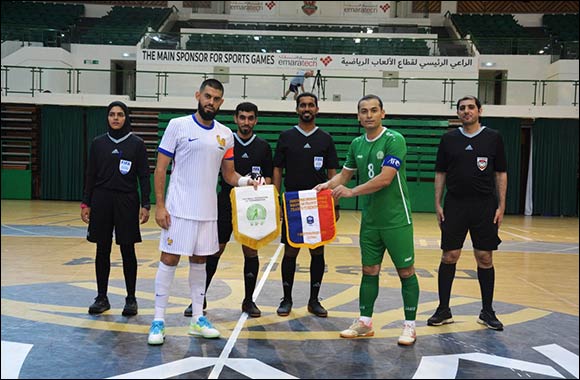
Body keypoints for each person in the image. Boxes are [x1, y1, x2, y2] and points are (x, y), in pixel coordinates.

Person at [147, 79, 259, 345]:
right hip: (179, 210)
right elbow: (160, 168)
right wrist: (160, 205)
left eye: (217, 98)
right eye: (207, 96)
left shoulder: (225, 134)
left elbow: (229, 175)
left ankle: (198, 318)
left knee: (200, 263)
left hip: (208, 212)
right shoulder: (177, 125)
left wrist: (249, 182)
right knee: (169, 260)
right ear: (198, 95)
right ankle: (158, 320)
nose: (211, 101)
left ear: (221, 102)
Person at [315, 94, 419, 346]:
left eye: (374, 110)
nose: (369, 115)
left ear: (383, 113)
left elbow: (385, 179)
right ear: (358, 116)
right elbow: (345, 175)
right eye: (364, 111)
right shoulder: (356, 144)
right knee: (369, 270)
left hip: (396, 219)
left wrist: (352, 192)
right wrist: (326, 186)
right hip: (370, 221)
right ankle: (365, 322)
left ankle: (410, 326)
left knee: (405, 271)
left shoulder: (395, 140)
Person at [183, 101, 273, 318]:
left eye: (250, 118)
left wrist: (264, 193)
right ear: (235, 119)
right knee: (215, 249)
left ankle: (248, 300)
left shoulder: (263, 147)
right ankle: (199, 298)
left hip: (252, 205)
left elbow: (269, 178)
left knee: (251, 250)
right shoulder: (224, 141)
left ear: (256, 120)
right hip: (224, 201)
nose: (246, 122)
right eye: (242, 117)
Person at [427, 95, 507, 331]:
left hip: (484, 205)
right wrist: (437, 204)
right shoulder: (448, 139)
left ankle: (487, 311)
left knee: (485, 257)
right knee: (449, 256)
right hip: (455, 204)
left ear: (479, 111)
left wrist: (501, 205)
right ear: (458, 112)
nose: (466, 111)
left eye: (471, 107)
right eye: (462, 108)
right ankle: (443, 310)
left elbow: (501, 173)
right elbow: (440, 173)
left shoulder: (493, 138)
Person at [272, 92, 340, 318]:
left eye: (311, 105)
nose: (307, 108)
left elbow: (333, 173)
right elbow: (277, 170)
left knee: (317, 251)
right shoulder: (286, 136)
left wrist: (334, 204)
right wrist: (277, 200)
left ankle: (314, 300)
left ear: (317, 109)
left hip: (319, 203)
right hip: (293, 202)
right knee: (290, 250)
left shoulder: (326, 138)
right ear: (297, 109)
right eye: (303, 105)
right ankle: (287, 298)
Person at [81, 100, 151, 317]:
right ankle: (101, 297)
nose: (116, 118)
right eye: (112, 114)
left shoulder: (136, 144)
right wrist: (86, 203)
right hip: (101, 200)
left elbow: (143, 176)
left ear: (126, 117)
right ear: (107, 117)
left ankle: (131, 299)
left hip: (127, 201)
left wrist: (146, 203)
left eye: (120, 114)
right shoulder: (98, 143)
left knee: (127, 249)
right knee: (102, 250)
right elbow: (90, 175)